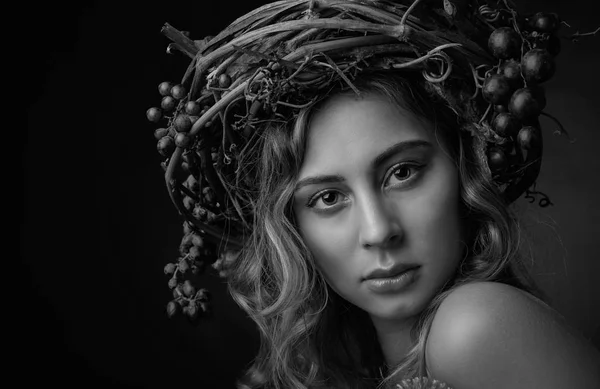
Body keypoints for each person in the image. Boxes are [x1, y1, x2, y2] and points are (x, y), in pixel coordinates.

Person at [148, 0, 600, 388]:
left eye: (402, 172)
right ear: (290, 226)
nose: (379, 230)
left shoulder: (473, 325)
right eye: (327, 198)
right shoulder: (373, 363)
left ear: (464, 165)